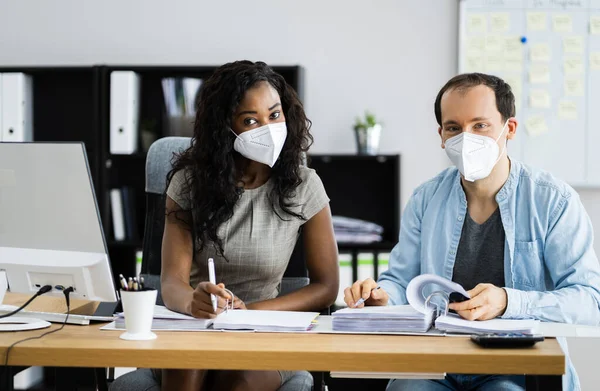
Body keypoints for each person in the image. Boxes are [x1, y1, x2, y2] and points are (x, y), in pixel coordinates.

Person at [344, 73, 600, 391]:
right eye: (454, 127)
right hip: (436, 362)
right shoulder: (426, 198)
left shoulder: (552, 199)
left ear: (510, 128)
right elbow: (401, 282)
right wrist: (380, 297)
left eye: (480, 125)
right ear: (441, 135)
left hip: (515, 366)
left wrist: (508, 301)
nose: (466, 138)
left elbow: (589, 300)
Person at [159, 61, 338, 391]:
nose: (268, 128)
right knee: (185, 375)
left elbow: (326, 286)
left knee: (236, 383)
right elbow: (171, 281)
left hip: (265, 329)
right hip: (196, 326)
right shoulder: (188, 184)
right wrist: (191, 302)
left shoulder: (304, 185)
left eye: (274, 115)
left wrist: (249, 311)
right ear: (224, 129)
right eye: (250, 120)